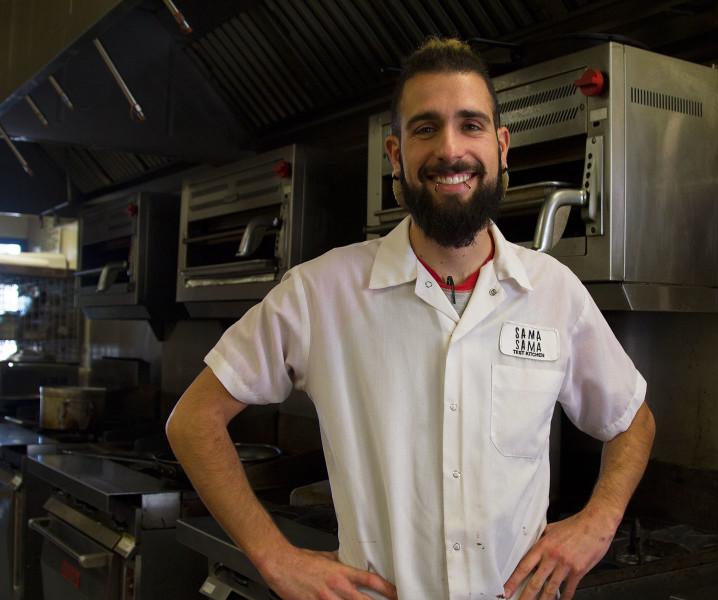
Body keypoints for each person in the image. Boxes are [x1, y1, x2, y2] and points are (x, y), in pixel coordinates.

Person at [166, 37, 655, 600]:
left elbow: (632, 419)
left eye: (470, 126)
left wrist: (599, 521)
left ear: (501, 147)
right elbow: (193, 421)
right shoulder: (321, 293)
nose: (451, 150)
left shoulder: (553, 291)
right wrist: (275, 558)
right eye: (426, 128)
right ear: (397, 155)